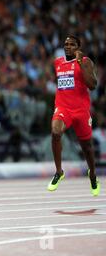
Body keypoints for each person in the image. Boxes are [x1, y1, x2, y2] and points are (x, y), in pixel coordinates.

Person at [47, 36, 100, 196]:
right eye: (66, 44)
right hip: (63, 108)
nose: (68, 47)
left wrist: (79, 64)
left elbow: (92, 85)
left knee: (87, 147)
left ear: (78, 47)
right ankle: (58, 172)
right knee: (56, 132)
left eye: (72, 44)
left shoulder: (85, 61)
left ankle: (92, 174)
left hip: (81, 110)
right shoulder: (57, 63)